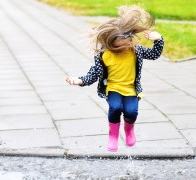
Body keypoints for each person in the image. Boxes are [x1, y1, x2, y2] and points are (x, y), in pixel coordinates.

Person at [66, 5, 164, 152]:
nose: (127, 46)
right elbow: (95, 73)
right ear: (111, 43)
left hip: (131, 89)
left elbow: (154, 54)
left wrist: (159, 39)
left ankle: (129, 130)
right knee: (116, 107)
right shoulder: (104, 55)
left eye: (129, 42)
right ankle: (113, 136)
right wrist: (81, 80)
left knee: (131, 112)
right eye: (121, 45)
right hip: (113, 88)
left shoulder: (135, 50)